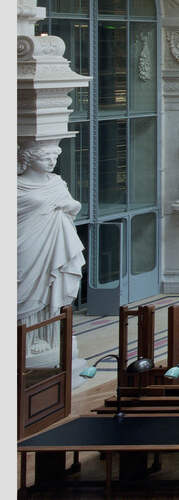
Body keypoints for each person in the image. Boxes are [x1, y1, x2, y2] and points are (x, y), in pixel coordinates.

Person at [18, 141, 85, 362]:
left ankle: (46, 338)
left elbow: (73, 205)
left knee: (49, 286)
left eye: (54, 158)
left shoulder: (57, 182)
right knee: (25, 290)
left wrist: (66, 206)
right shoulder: (15, 186)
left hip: (53, 243)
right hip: (25, 244)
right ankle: (22, 341)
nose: (52, 162)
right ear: (28, 159)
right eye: (45, 158)